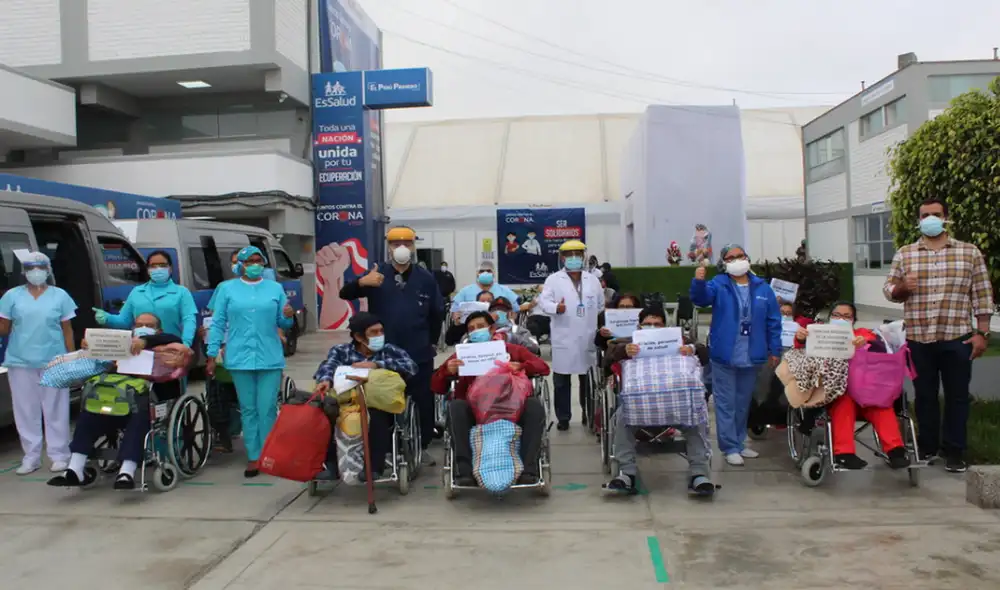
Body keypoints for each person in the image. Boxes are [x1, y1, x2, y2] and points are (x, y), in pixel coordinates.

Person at [883, 197, 995, 473]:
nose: (930, 219)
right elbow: (889, 289)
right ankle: (927, 446)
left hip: (957, 337)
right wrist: (901, 288)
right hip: (919, 338)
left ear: (945, 217)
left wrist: (982, 332)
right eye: (924, 215)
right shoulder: (905, 253)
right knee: (924, 396)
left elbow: (982, 294)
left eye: (935, 214)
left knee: (957, 396)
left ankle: (955, 451)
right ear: (918, 220)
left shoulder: (969, 253)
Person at [48, 312, 190, 489]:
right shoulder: (122, 343)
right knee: (88, 414)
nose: (142, 328)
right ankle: (75, 469)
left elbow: (173, 337)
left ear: (158, 330)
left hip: (148, 401)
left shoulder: (167, 342)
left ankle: (127, 471)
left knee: (138, 416)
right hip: (115, 400)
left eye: (148, 325)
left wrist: (145, 342)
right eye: (138, 324)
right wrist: (90, 345)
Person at [339, 226, 444, 465]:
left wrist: (432, 342)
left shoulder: (425, 278)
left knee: (421, 399)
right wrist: (361, 282)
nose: (402, 248)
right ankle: (385, 448)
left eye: (407, 243)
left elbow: (437, 312)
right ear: (388, 247)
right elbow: (345, 293)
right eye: (396, 244)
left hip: (418, 350)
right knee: (383, 399)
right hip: (382, 352)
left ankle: (422, 444)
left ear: (414, 246)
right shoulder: (377, 275)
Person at [602, 305, 715, 497]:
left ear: (665, 325)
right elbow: (606, 361)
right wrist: (623, 352)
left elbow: (705, 354)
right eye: (648, 325)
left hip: (676, 401)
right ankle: (626, 473)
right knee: (622, 419)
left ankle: (699, 474)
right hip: (640, 403)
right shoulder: (626, 342)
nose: (652, 328)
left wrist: (692, 349)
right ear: (639, 326)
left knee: (697, 418)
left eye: (657, 324)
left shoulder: (680, 340)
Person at [431, 311, 550, 486]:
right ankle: (463, 471)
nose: (475, 331)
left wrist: (521, 366)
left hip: (512, 406)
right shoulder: (463, 355)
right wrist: (446, 371)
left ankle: (529, 469)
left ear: (492, 329)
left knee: (534, 407)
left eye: (480, 327)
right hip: (474, 408)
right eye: (471, 329)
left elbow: (543, 367)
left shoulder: (511, 350)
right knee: (455, 407)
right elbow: (436, 387)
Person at [206, 246, 295, 477]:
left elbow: (283, 323)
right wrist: (211, 352)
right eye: (250, 261)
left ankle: (269, 453)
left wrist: (287, 317)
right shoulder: (227, 289)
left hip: (269, 356)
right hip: (239, 356)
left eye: (259, 261)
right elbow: (217, 323)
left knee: (266, 408)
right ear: (241, 264)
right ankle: (254, 455)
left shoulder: (275, 288)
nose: (255, 265)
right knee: (248, 408)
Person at [690, 244, 782, 466]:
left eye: (740, 256)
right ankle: (729, 446)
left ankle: (740, 442)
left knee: (742, 402)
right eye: (731, 258)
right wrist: (699, 281)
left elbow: (774, 321)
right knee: (725, 402)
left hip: (752, 354)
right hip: (725, 354)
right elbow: (701, 299)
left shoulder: (763, 288)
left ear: (747, 258)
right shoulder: (719, 284)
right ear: (724, 263)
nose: (737, 260)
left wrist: (775, 348)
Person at [795, 302, 910, 471]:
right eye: (836, 315)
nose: (841, 319)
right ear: (829, 317)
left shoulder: (862, 334)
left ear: (854, 320)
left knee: (880, 405)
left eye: (846, 316)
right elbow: (798, 351)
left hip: (866, 394)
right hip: (836, 395)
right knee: (844, 401)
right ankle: (844, 453)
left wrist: (865, 343)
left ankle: (896, 451)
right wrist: (800, 338)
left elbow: (876, 342)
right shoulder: (818, 332)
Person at [312, 312, 418, 481]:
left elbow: (410, 367)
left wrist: (377, 365)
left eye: (381, 331)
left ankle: (374, 467)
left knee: (377, 416)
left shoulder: (389, 350)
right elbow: (328, 366)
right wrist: (325, 380)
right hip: (346, 403)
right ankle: (330, 466)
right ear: (358, 336)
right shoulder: (341, 351)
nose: (380, 336)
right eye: (373, 333)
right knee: (326, 416)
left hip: (377, 404)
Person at [0, 252, 76, 475]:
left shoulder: (60, 296)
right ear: (24, 271)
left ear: (48, 269)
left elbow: (67, 330)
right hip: (20, 360)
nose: (36, 271)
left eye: (40, 267)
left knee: (56, 409)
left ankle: (60, 455)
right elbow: (4, 328)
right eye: (31, 267)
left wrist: (70, 359)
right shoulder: (12, 296)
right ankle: (31, 456)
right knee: (25, 410)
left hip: (54, 359)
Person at [538, 240, 604, 430]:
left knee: (588, 379)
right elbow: (544, 302)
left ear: (583, 257)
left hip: (587, 335)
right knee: (561, 381)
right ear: (562, 257)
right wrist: (556, 308)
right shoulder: (553, 279)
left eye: (577, 254)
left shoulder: (592, 280)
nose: (574, 258)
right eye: (569, 255)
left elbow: (600, 305)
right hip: (563, 336)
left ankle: (588, 414)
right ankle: (564, 418)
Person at [95, 250, 198, 347]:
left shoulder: (182, 292)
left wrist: (186, 344)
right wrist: (107, 318)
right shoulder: (137, 292)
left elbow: (189, 321)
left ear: (170, 268)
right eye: (153, 266)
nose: (158, 269)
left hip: (170, 348)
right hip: (140, 349)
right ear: (148, 270)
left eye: (162, 265)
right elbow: (124, 321)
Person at [452, 260, 520, 306]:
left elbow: (516, 307)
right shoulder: (465, 291)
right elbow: (455, 308)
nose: (485, 273)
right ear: (477, 274)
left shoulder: (504, 290)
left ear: (493, 273)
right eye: (481, 271)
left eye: (488, 271)